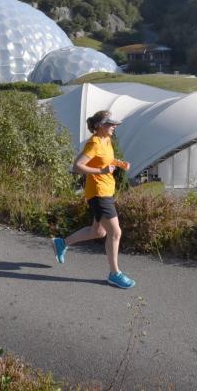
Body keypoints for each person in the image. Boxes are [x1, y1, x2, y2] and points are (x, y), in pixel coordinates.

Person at [52, 110, 135, 289]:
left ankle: (62, 243)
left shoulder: (107, 140)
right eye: (110, 124)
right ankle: (114, 274)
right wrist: (101, 172)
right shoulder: (94, 143)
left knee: (98, 232)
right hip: (98, 193)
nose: (114, 126)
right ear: (99, 126)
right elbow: (77, 166)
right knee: (115, 233)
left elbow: (106, 160)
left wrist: (120, 164)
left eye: (114, 124)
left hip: (106, 190)